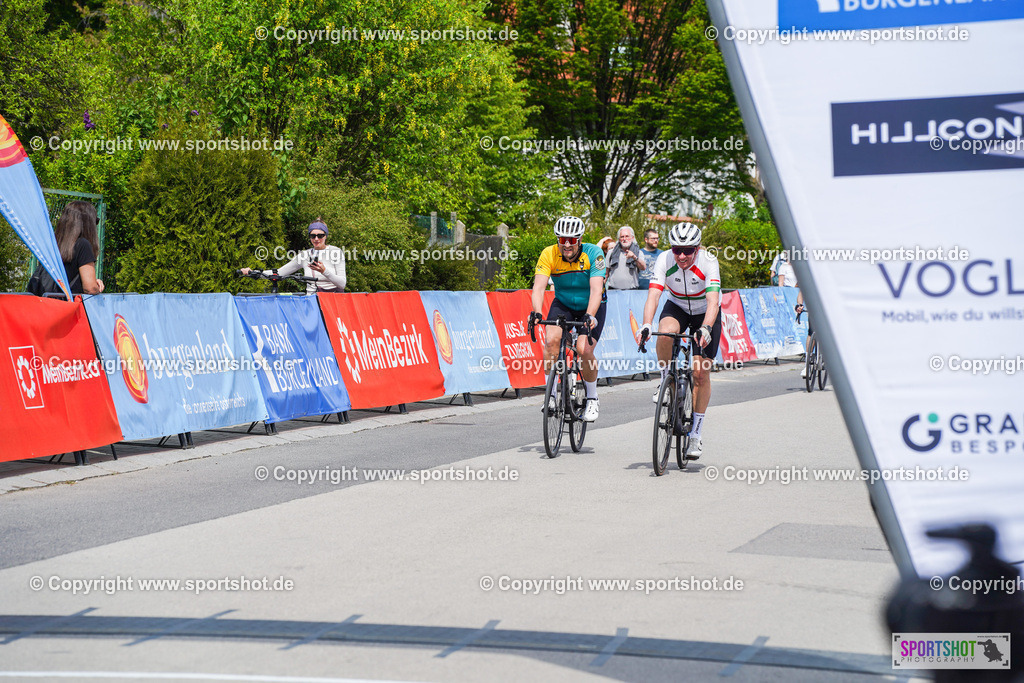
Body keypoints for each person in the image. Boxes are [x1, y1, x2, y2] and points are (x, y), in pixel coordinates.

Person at [637, 223, 722, 460]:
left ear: (697, 248)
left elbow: (713, 301)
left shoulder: (708, 261)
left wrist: (705, 328)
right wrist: (646, 324)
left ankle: (695, 433)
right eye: (677, 250)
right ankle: (665, 380)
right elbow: (654, 294)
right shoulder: (665, 259)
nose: (682, 256)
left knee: (700, 374)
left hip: (706, 311)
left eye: (688, 250)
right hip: (678, 307)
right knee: (664, 333)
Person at [529, 216, 607, 423]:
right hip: (563, 304)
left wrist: (590, 315)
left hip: (591, 304)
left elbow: (596, 290)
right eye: (562, 239)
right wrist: (537, 312)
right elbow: (538, 287)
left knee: (584, 349)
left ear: (579, 240)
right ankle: (552, 394)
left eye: (572, 240)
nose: (566, 244)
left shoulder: (594, 253)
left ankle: (592, 396)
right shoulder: (549, 253)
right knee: (551, 342)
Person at [241, 219, 346, 293]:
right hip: (312, 301)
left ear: (326, 236)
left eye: (320, 235)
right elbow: (280, 273)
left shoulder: (336, 252)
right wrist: (253, 272)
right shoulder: (304, 255)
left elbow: (342, 284)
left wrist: (324, 271)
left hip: (333, 302)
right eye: (312, 236)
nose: (316, 239)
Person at [54, 200, 104, 295]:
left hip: (48, 302)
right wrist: (96, 286)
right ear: (88, 224)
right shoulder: (83, 245)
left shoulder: (54, 244)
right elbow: (90, 289)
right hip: (69, 306)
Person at [605, 225, 646, 290]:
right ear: (619, 239)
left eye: (627, 236)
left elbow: (643, 267)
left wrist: (634, 257)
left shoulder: (638, 252)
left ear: (632, 238)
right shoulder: (611, 252)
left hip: (632, 291)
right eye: (622, 237)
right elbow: (606, 274)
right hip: (613, 291)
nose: (624, 239)